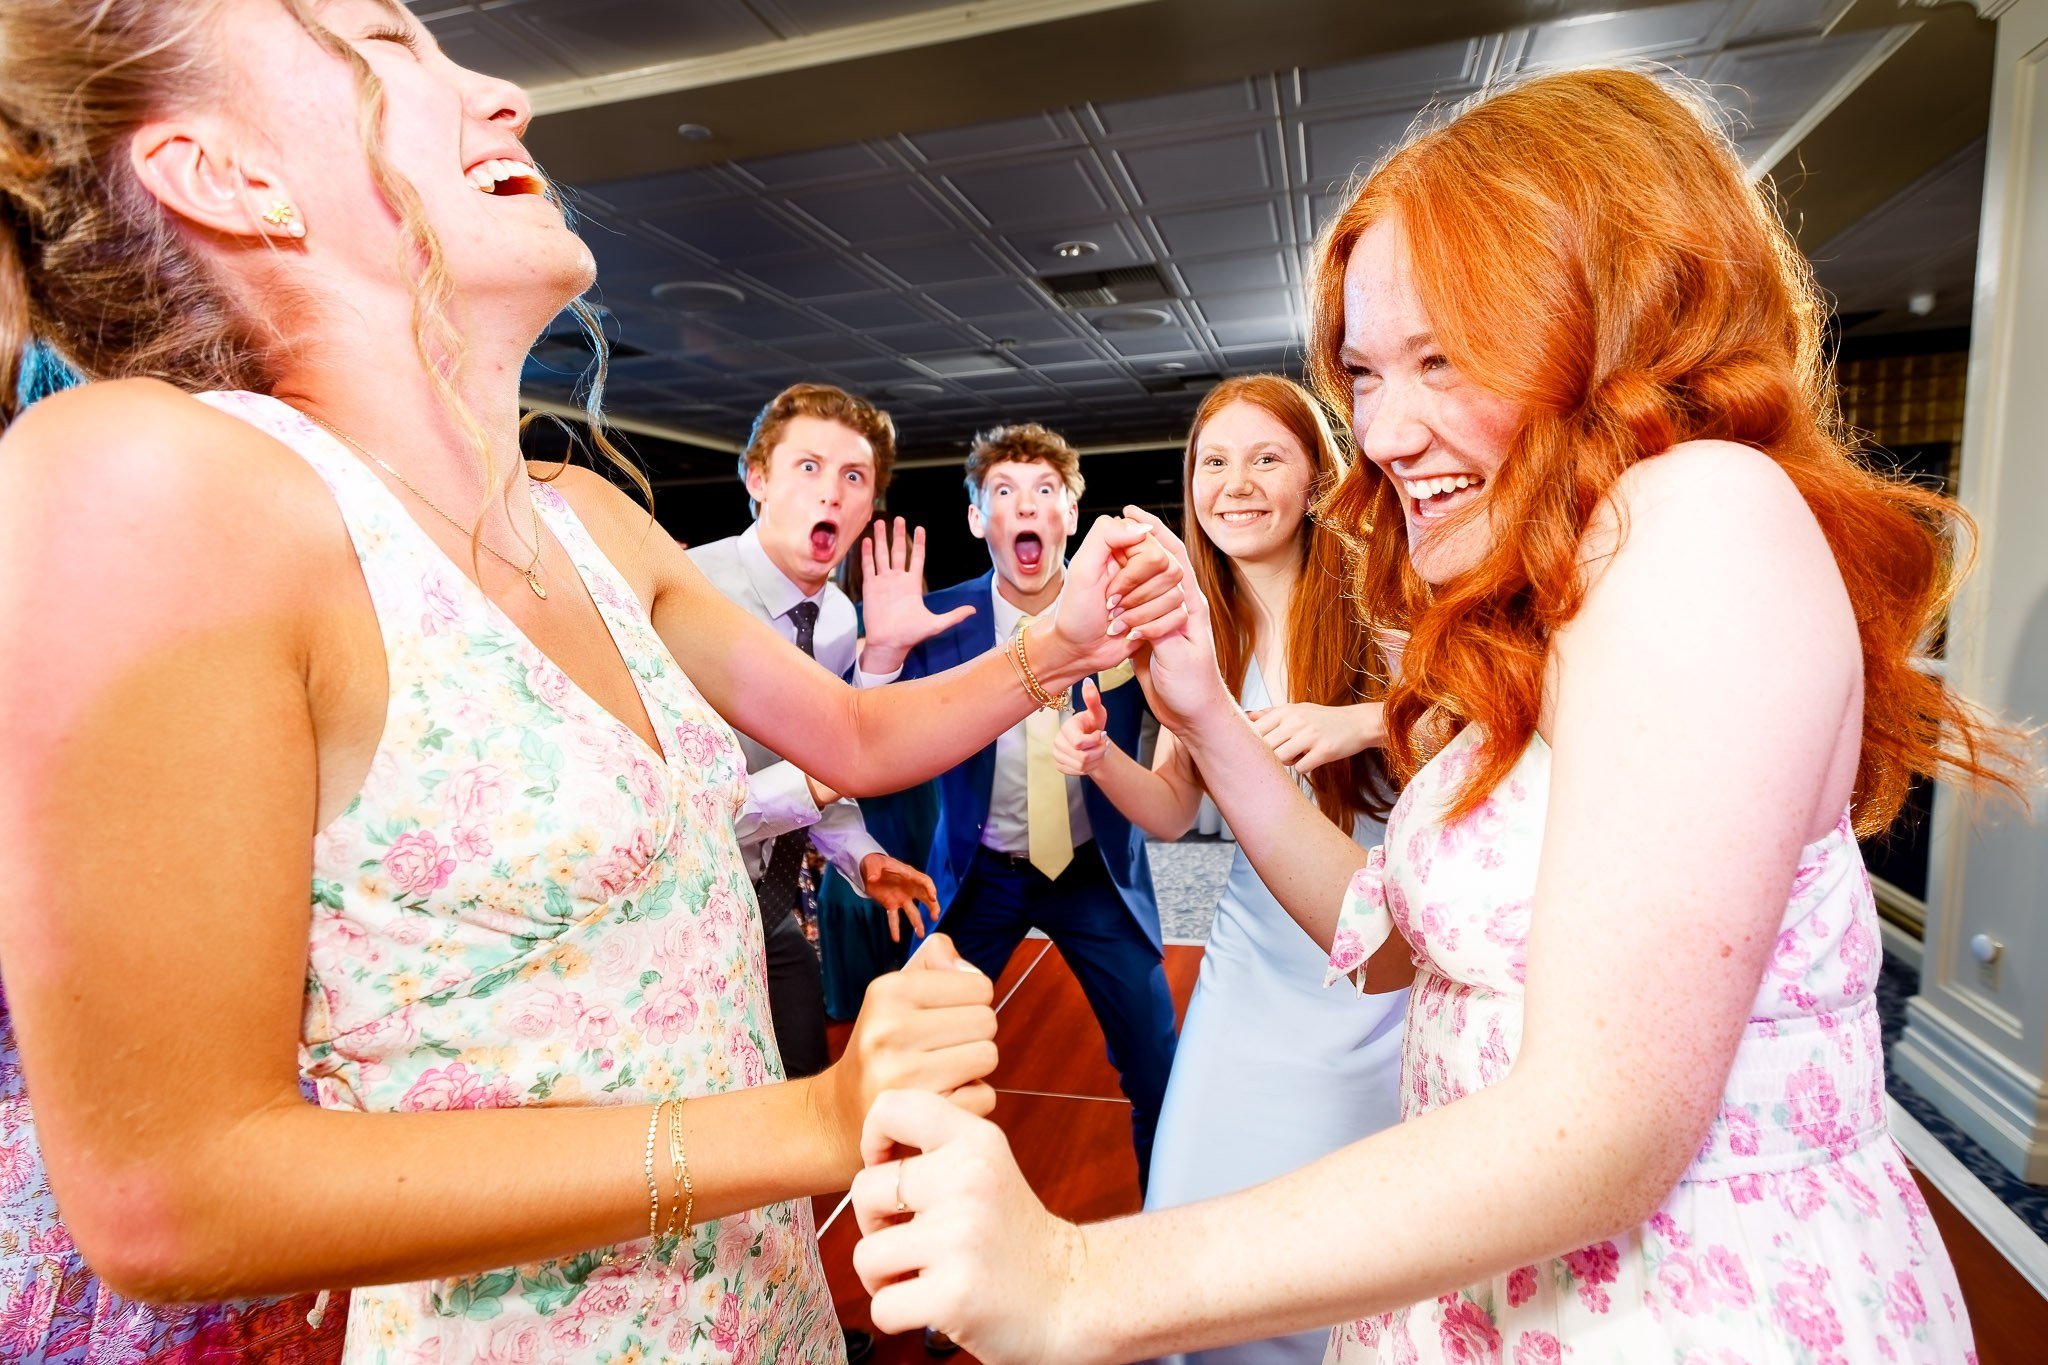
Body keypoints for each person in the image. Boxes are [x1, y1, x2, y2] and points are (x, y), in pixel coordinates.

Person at [0, 4, 1190, 1363]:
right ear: (226, 176)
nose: (504, 93)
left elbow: (855, 736)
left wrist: (1061, 641)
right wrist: (809, 1119)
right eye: (387, 47)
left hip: (761, 1315)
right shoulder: (146, 479)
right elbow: (168, 1194)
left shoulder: (583, 515)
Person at [845, 68, 2030, 1364]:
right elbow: (1391, 936)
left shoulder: (1703, 518)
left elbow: (1605, 1129)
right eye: (1365, 371)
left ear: (1617, 315)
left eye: (1443, 357)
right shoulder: (1556, 584)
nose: (1389, 428)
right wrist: (1208, 714)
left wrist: (1078, 1274)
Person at [1054, 375, 1406, 1365]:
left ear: (1313, 477)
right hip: (1246, 984)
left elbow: (1481, 708)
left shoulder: (1383, 590)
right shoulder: (1195, 626)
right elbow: (1172, 815)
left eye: (1265, 458)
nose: (1235, 484)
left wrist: (1354, 720)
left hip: (1374, 988)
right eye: (1213, 462)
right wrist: (1100, 759)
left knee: (1351, 1264)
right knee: (1195, 1247)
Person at [858, 424, 1180, 1195]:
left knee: (1158, 1064)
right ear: (979, 520)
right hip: (981, 876)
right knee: (918, 1066)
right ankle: (927, 1236)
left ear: (1071, 513)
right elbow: (866, 745)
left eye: (1044, 491)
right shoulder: (939, 623)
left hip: (1093, 872)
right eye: (1003, 492)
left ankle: (1169, 1219)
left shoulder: (1129, 614)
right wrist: (882, 657)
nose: (1023, 506)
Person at [690, 381, 946, 1082]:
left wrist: (859, 855)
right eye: (808, 467)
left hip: (769, 907)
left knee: (806, 1083)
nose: (831, 492)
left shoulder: (836, 619)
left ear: (868, 506)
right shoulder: (687, 593)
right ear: (758, 478)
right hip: (679, 910)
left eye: (853, 476)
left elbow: (825, 761)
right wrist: (830, 770)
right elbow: (680, 811)